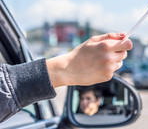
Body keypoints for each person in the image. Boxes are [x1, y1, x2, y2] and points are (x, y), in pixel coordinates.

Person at [0, 32, 132, 122]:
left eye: (88, 98)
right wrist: (65, 67)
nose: (84, 102)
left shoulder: (111, 115)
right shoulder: (75, 117)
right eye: (82, 98)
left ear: (98, 100)